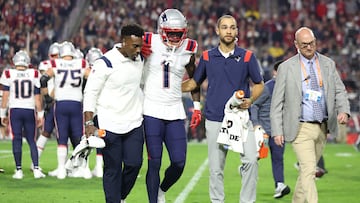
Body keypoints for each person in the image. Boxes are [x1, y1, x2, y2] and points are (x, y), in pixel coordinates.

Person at [182, 15, 264, 203]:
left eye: (232, 27)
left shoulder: (248, 56)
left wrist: (251, 99)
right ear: (217, 31)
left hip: (241, 118)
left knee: (251, 160)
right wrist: (170, 85)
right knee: (216, 168)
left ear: (237, 31)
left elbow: (259, 84)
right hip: (215, 119)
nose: (229, 31)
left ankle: (247, 201)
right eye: (225, 27)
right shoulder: (207, 57)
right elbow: (194, 82)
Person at [270, 27, 350, 203]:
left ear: (316, 41)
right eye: (304, 44)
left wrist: (343, 110)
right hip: (300, 128)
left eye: (311, 43)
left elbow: (339, 90)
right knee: (309, 170)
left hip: (323, 127)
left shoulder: (328, 64)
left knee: (307, 170)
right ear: (296, 44)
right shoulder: (286, 67)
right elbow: (276, 103)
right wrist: (277, 130)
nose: (309, 47)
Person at [83, 23, 145, 203]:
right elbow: (90, 92)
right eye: (135, 46)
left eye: (140, 45)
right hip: (109, 123)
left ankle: (120, 197)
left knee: (134, 164)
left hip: (134, 122)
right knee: (113, 168)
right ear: (123, 42)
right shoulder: (105, 63)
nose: (139, 50)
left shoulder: (139, 59)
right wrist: (89, 123)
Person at [141, 9, 197, 203]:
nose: (174, 37)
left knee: (179, 162)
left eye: (177, 33)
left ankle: (161, 189)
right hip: (151, 109)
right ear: (161, 30)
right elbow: (124, 48)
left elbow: (194, 77)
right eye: (170, 32)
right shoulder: (148, 40)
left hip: (175, 109)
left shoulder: (189, 47)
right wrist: (137, 53)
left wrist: (197, 106)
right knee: (154, 161)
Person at [40, 41, 91, 179]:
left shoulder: (55, 64)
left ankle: (62, 170)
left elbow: (43, 79)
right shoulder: (80, 63)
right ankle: (84, 169)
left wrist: (47, 98)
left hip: (61, 104)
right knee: (80, 137)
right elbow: (92, 77)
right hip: (76, 104)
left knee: (61, 137)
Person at [0, 50, 46, 179]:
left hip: (15, 110)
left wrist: (2, 114)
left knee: (17, 139)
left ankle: (19, 170)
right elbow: (38, 97)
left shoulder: (8, 73)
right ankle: (36, 168)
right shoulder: (34, 73)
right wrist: (41, 114)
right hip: (29, 109)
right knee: (32, 140)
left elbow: (5, 97)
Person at [250, 60, 291, 198]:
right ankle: (245, 167)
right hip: (265, 132)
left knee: (278, 158)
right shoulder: (267, 88)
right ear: (275, 72)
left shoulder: (289, 88)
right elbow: (254, 105)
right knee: (258, 156)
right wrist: (256, 124)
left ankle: (279, 185)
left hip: (279, 131)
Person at [34, 42, 60, 170]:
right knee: (46, 132)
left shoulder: (54, 65)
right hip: (52, 101)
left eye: (57, 55)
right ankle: (35, 161)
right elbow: (42, 81)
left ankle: (64, 165)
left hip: (58, 100)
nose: (55, 57)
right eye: (53, 55)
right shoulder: (47, 65)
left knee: (61, 135)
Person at [84, 47, 104, 178]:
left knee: (87, 138)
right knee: (100, 137)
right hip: (103, 108)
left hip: (90, 109)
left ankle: (85, 168)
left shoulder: (87, 71)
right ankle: (99, 167)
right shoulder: (105, 69)